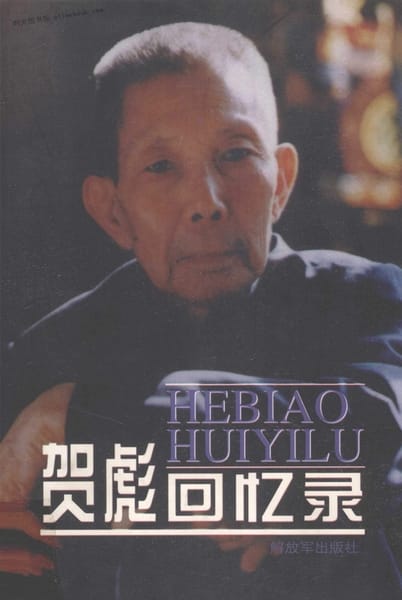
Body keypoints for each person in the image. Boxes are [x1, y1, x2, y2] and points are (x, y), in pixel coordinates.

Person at [1, 22, 401, 600]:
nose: (207, 203)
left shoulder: (366, 301)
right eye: (161, 167)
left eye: (236, 154)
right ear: (112, 211)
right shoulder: (51, 354)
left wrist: (79, 417)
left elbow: (366, 425)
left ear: (281, 182)